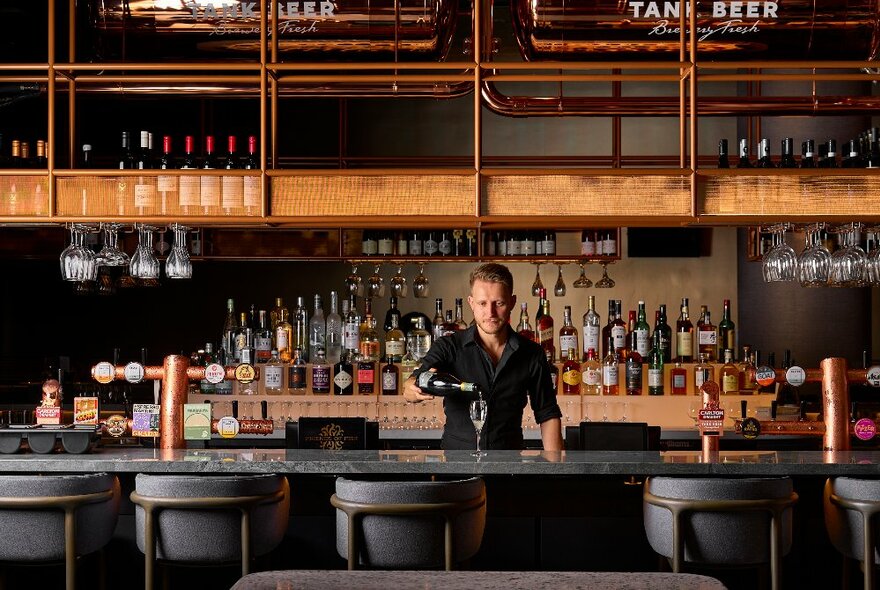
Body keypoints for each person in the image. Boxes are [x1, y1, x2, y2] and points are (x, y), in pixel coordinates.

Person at [403, 263, 563, 451]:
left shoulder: (531, 353)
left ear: (512, 302)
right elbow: (413, 383)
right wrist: (412, 389)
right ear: (471, 303)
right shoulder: (449, 347)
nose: (491, 313)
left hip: (509, 465)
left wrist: (556, 469)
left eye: (499, 303)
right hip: (457, 468)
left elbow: (547, 413)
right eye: (482, 303)